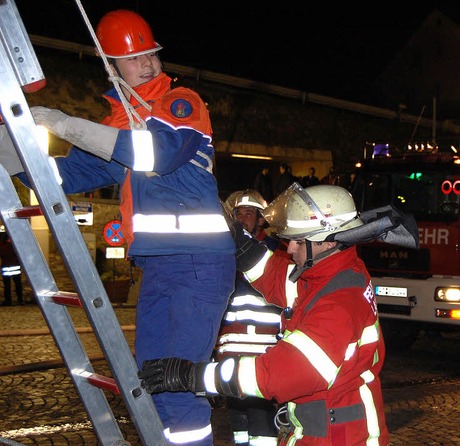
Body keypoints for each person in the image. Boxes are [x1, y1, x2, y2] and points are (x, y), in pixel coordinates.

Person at [13, 10, 235, 445]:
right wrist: (12, 151)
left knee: (176, 384)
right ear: (111, 68)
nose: (147, 64)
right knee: (153, 384)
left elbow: (158, 154)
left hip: (198, 265)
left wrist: (64, 124)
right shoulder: (121, 125)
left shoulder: (179, 103)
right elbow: (68, 176)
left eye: (150, 54)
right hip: (160, 269)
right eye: (133, 59)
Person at [139, 183, 421, 446]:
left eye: (298, 241)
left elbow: (274, 376)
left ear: (330, 241)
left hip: (340, 436)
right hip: (327, 427)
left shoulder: (339, 304)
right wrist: (241, 243)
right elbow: (276, 276)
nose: (291, 248)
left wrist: (193, 375)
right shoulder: (330, 275)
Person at [218, 189, 282, 445]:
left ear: (261, 219)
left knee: (262, 426)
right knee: (239, 425)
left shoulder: (276, 250)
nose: (243, 218)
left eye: (249, 213)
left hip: (263, 356)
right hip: (231, 353)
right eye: (238, 214)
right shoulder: (223, 251)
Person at [0, 233, 23, 306]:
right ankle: (20, 299)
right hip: (16, 268)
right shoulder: (16, 246)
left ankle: (8, 301)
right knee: (18, 284)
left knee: (7, 286)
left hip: (6, 268)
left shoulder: (3, 246)